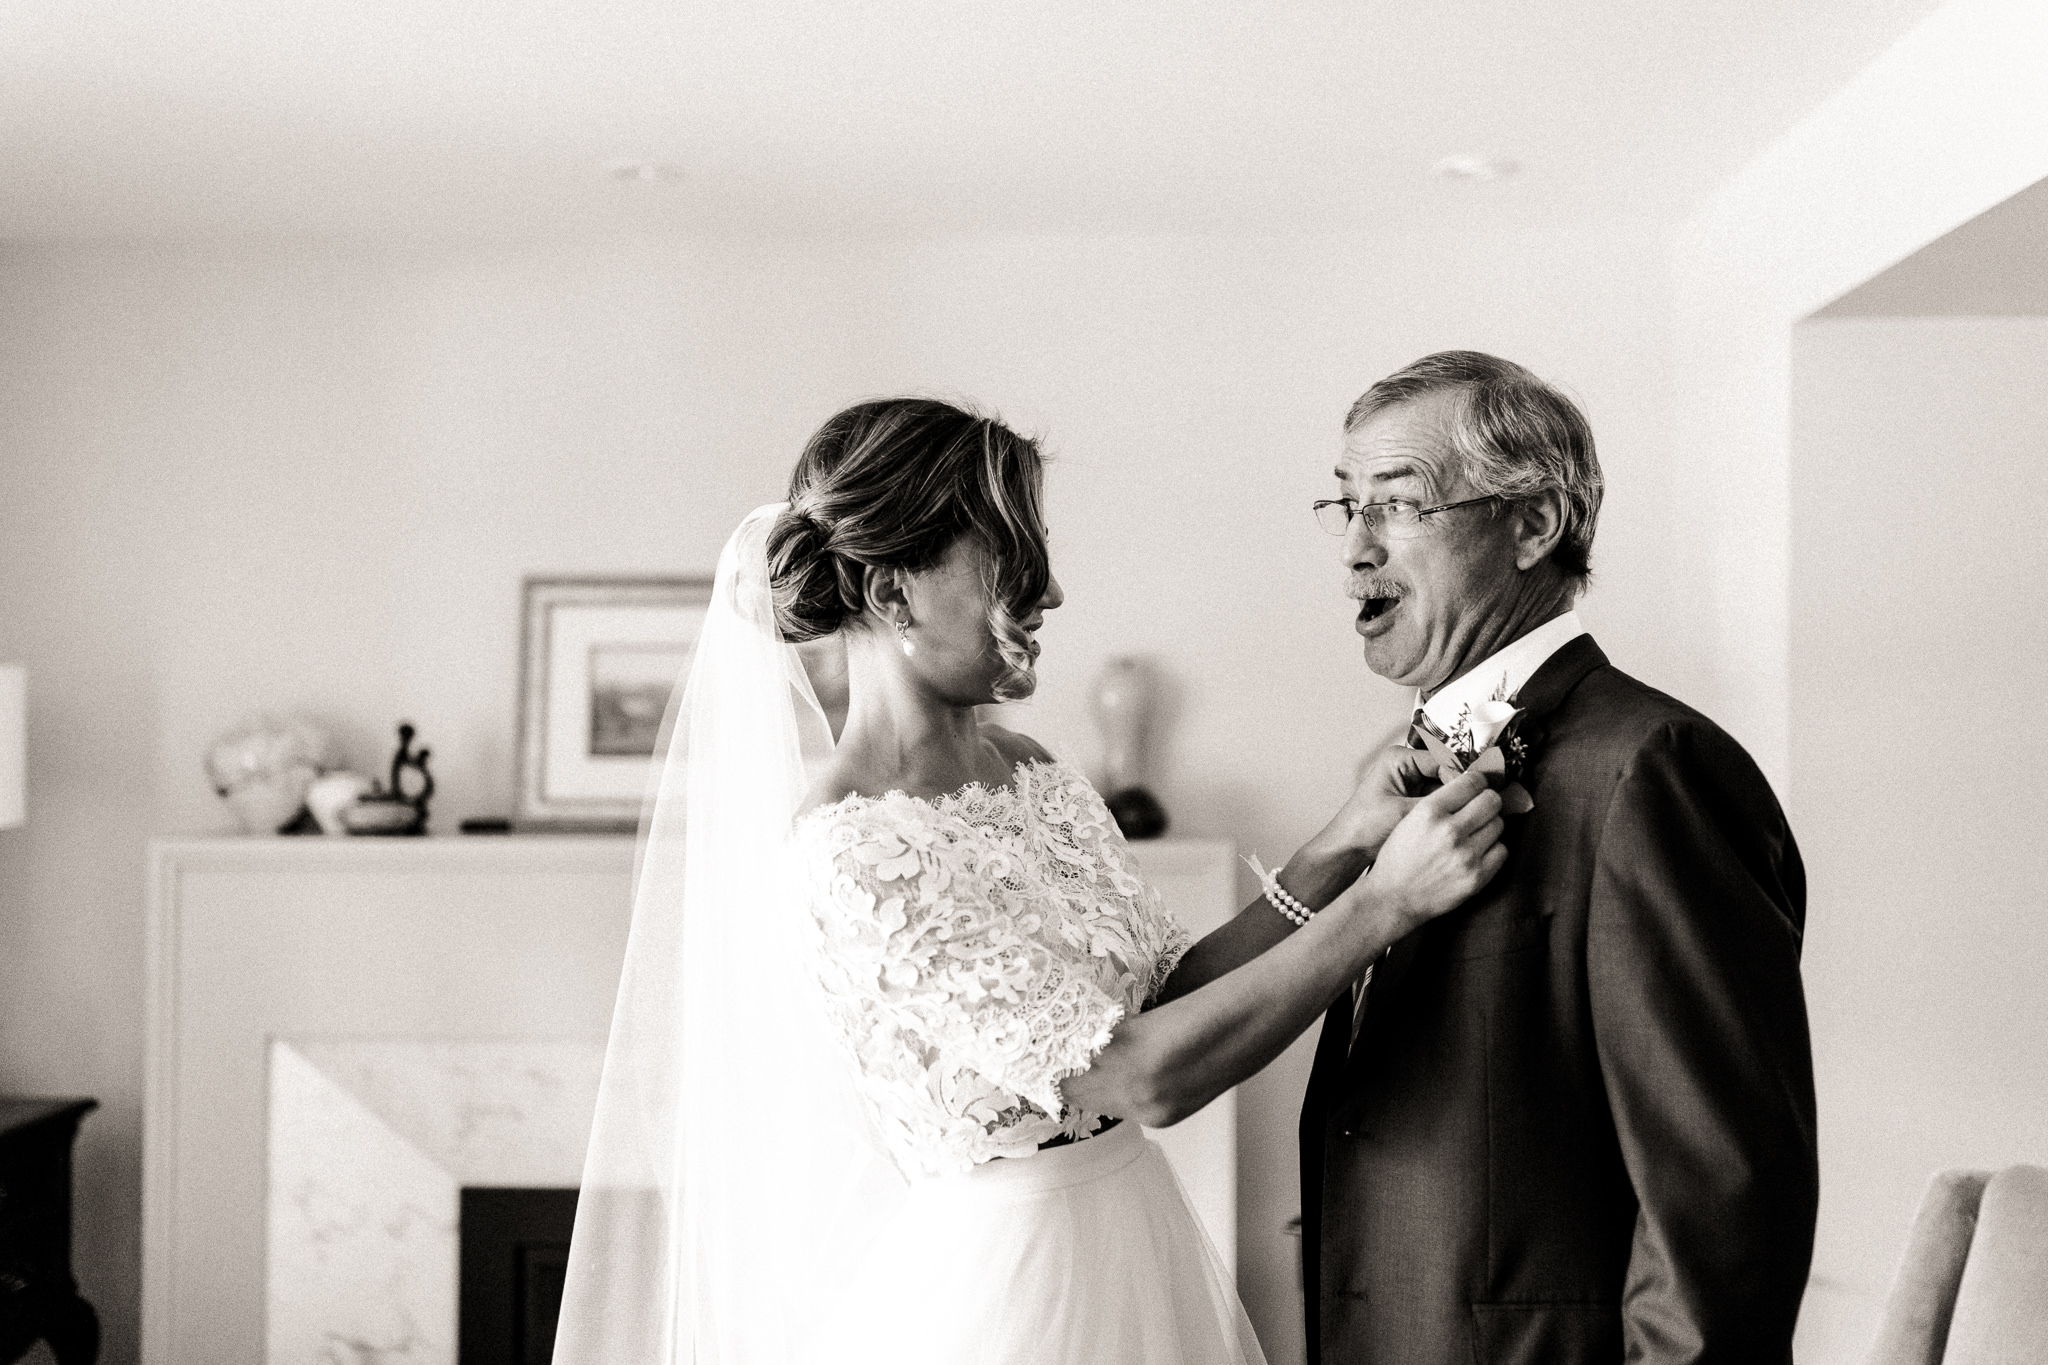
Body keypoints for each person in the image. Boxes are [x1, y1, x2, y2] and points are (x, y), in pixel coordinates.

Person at [551, 396, 1509, 1365]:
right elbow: (1143, 1073)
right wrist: (1385, 904)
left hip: (1133, 1242)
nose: (1048, 593)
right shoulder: (850, 848)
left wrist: (1343, 839)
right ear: (892, 594)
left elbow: (1166, 996)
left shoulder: (1030, 768)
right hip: (1009, 1299)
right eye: (1009, 558)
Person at [1287, 352, 1818, 1363]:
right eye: (1343, 507)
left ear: (1530, 525)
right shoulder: (1406, 775)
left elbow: (1720, 1189)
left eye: (1396, 507)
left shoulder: (1652, 770)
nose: (1355, 551)